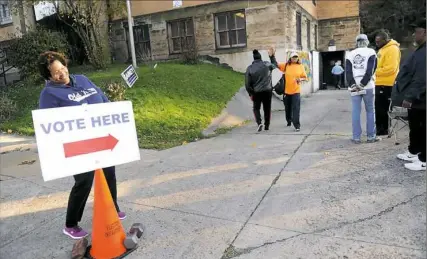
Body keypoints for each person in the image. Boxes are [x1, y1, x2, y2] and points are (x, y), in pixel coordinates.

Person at [37, 51, 126, 239]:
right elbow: (49, 126)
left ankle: (113, 208)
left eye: (63, 68)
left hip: (101, 138)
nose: (62, 74)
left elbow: (102, 99)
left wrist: (113, 116)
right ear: (48, 77)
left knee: (109, 174)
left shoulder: (83, 79)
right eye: (56, 73)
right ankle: (71, 224)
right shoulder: (48, 94)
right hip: (77, 146)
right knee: (84, 182)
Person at [392, 19, 426, 171]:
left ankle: (424, 159)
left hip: (421, 99)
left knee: (422, 128)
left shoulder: (425, 52)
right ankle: (415, 152)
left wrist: (409, 97)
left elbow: (421, 78)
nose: (413, 35)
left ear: (425, 33)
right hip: (418, 99)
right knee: (415, 127)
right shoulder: (421, 49)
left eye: (416, 32)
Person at [345, 34, 380, 144]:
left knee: (356, 111)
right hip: (368, 86)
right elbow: (371, 69)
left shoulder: (350, 54)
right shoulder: (371, 52)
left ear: (357, 42)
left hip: (354, 87)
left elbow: (348, 72)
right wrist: (363, 84)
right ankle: (371, 136)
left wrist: (354, 85)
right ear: (367, 41)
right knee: (370, 110)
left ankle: (356, 137)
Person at [268, 51, 307, 131]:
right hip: (286, 92)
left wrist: (300, 79)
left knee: (296, 108)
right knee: (288, 108)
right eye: (293, 57)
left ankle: (297, 125)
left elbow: (305, 77)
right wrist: (272, 56)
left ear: (298, 58)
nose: (295, 58)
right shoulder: (286, 65)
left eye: (296, 57)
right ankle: (289, 120)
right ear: (290, 58)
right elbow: (275, 65)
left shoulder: (300, 66)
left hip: (296, 91)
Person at [374, 30, 401, 136]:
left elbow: (391, 68)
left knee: (383, 108)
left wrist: (374, 72)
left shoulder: (393, 49)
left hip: (387, 84)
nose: (377, 44)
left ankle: (383, 130)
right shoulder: (382, 49)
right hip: (379, 82)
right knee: (378, 108)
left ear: (385, 40)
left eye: (378, 42)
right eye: (375, 42)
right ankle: (379, 128)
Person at [245, 49, 274, 132]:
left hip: (256, 92)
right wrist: (272, 56)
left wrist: (251, 93)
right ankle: (267, 125)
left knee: (256, 108)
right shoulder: (267, 64)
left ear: (253, 58)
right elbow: (275, 66)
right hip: (268, 90)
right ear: (260, 57)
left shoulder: (249, 68)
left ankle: (259, 122)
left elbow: (247, 84)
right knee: (267, 108)